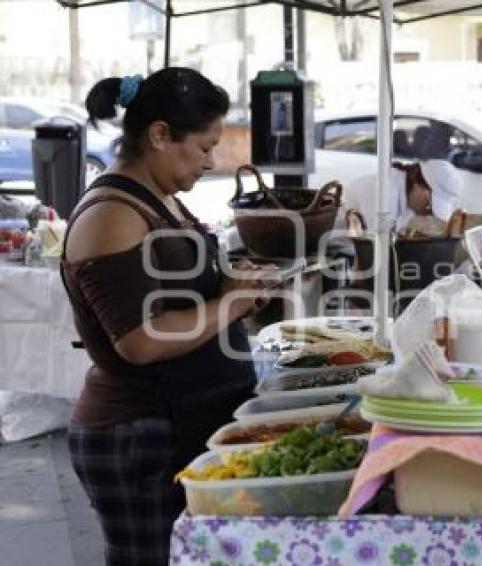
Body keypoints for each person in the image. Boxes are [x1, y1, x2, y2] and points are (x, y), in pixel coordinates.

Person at [61, 68, 275, 565]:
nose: (211, 161)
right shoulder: (111, 215)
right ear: (159, 135)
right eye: (203, 147)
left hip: (182, 421)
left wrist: (234, 286)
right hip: (138, 434)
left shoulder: (160, 199)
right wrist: (231, 304)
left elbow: (178, 300)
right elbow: (139, 339)